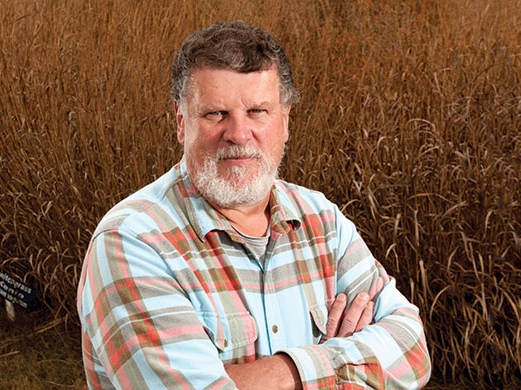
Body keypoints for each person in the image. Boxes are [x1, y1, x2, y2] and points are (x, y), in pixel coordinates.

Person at [77, 21, 431, 389]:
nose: (239, 134)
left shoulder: (323, 222)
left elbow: (413, 352)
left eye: (257, 111)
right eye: (216, 113)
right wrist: (346, 355)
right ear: (181, 123)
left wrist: (285, 372)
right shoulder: (133, 242)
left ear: (285, 121)